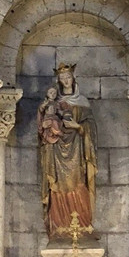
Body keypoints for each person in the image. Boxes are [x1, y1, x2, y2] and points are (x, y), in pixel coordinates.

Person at [38, 63, 98, 238]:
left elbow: (91, 127)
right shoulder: (54, 103)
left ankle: (83, 227)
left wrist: (78, 126)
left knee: (79, 182)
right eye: (62, 78)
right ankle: (59, 227)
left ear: (73, 79)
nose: (65, 80)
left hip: (78, 149)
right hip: (55, 148)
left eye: (68, 77)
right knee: (56, 184)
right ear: (58, 81)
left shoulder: (83, 102)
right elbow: (43, 126)